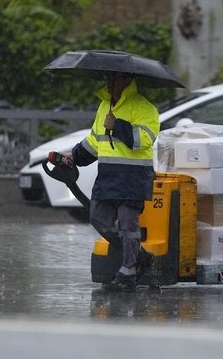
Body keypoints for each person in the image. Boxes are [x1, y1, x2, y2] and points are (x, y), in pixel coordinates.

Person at [62, 72, 159, 292]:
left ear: (127, 80)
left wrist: (118, 125)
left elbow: (144, 140)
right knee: (98, 218)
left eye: (113, 79)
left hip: (134, 177)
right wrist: (74, 156)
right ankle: (140, 256)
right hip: (109, 176)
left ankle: (128, 270)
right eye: (106, 78)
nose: (108, 82)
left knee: (127, 222)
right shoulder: (104, 106)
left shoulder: (145, 108)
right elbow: (95, 141)